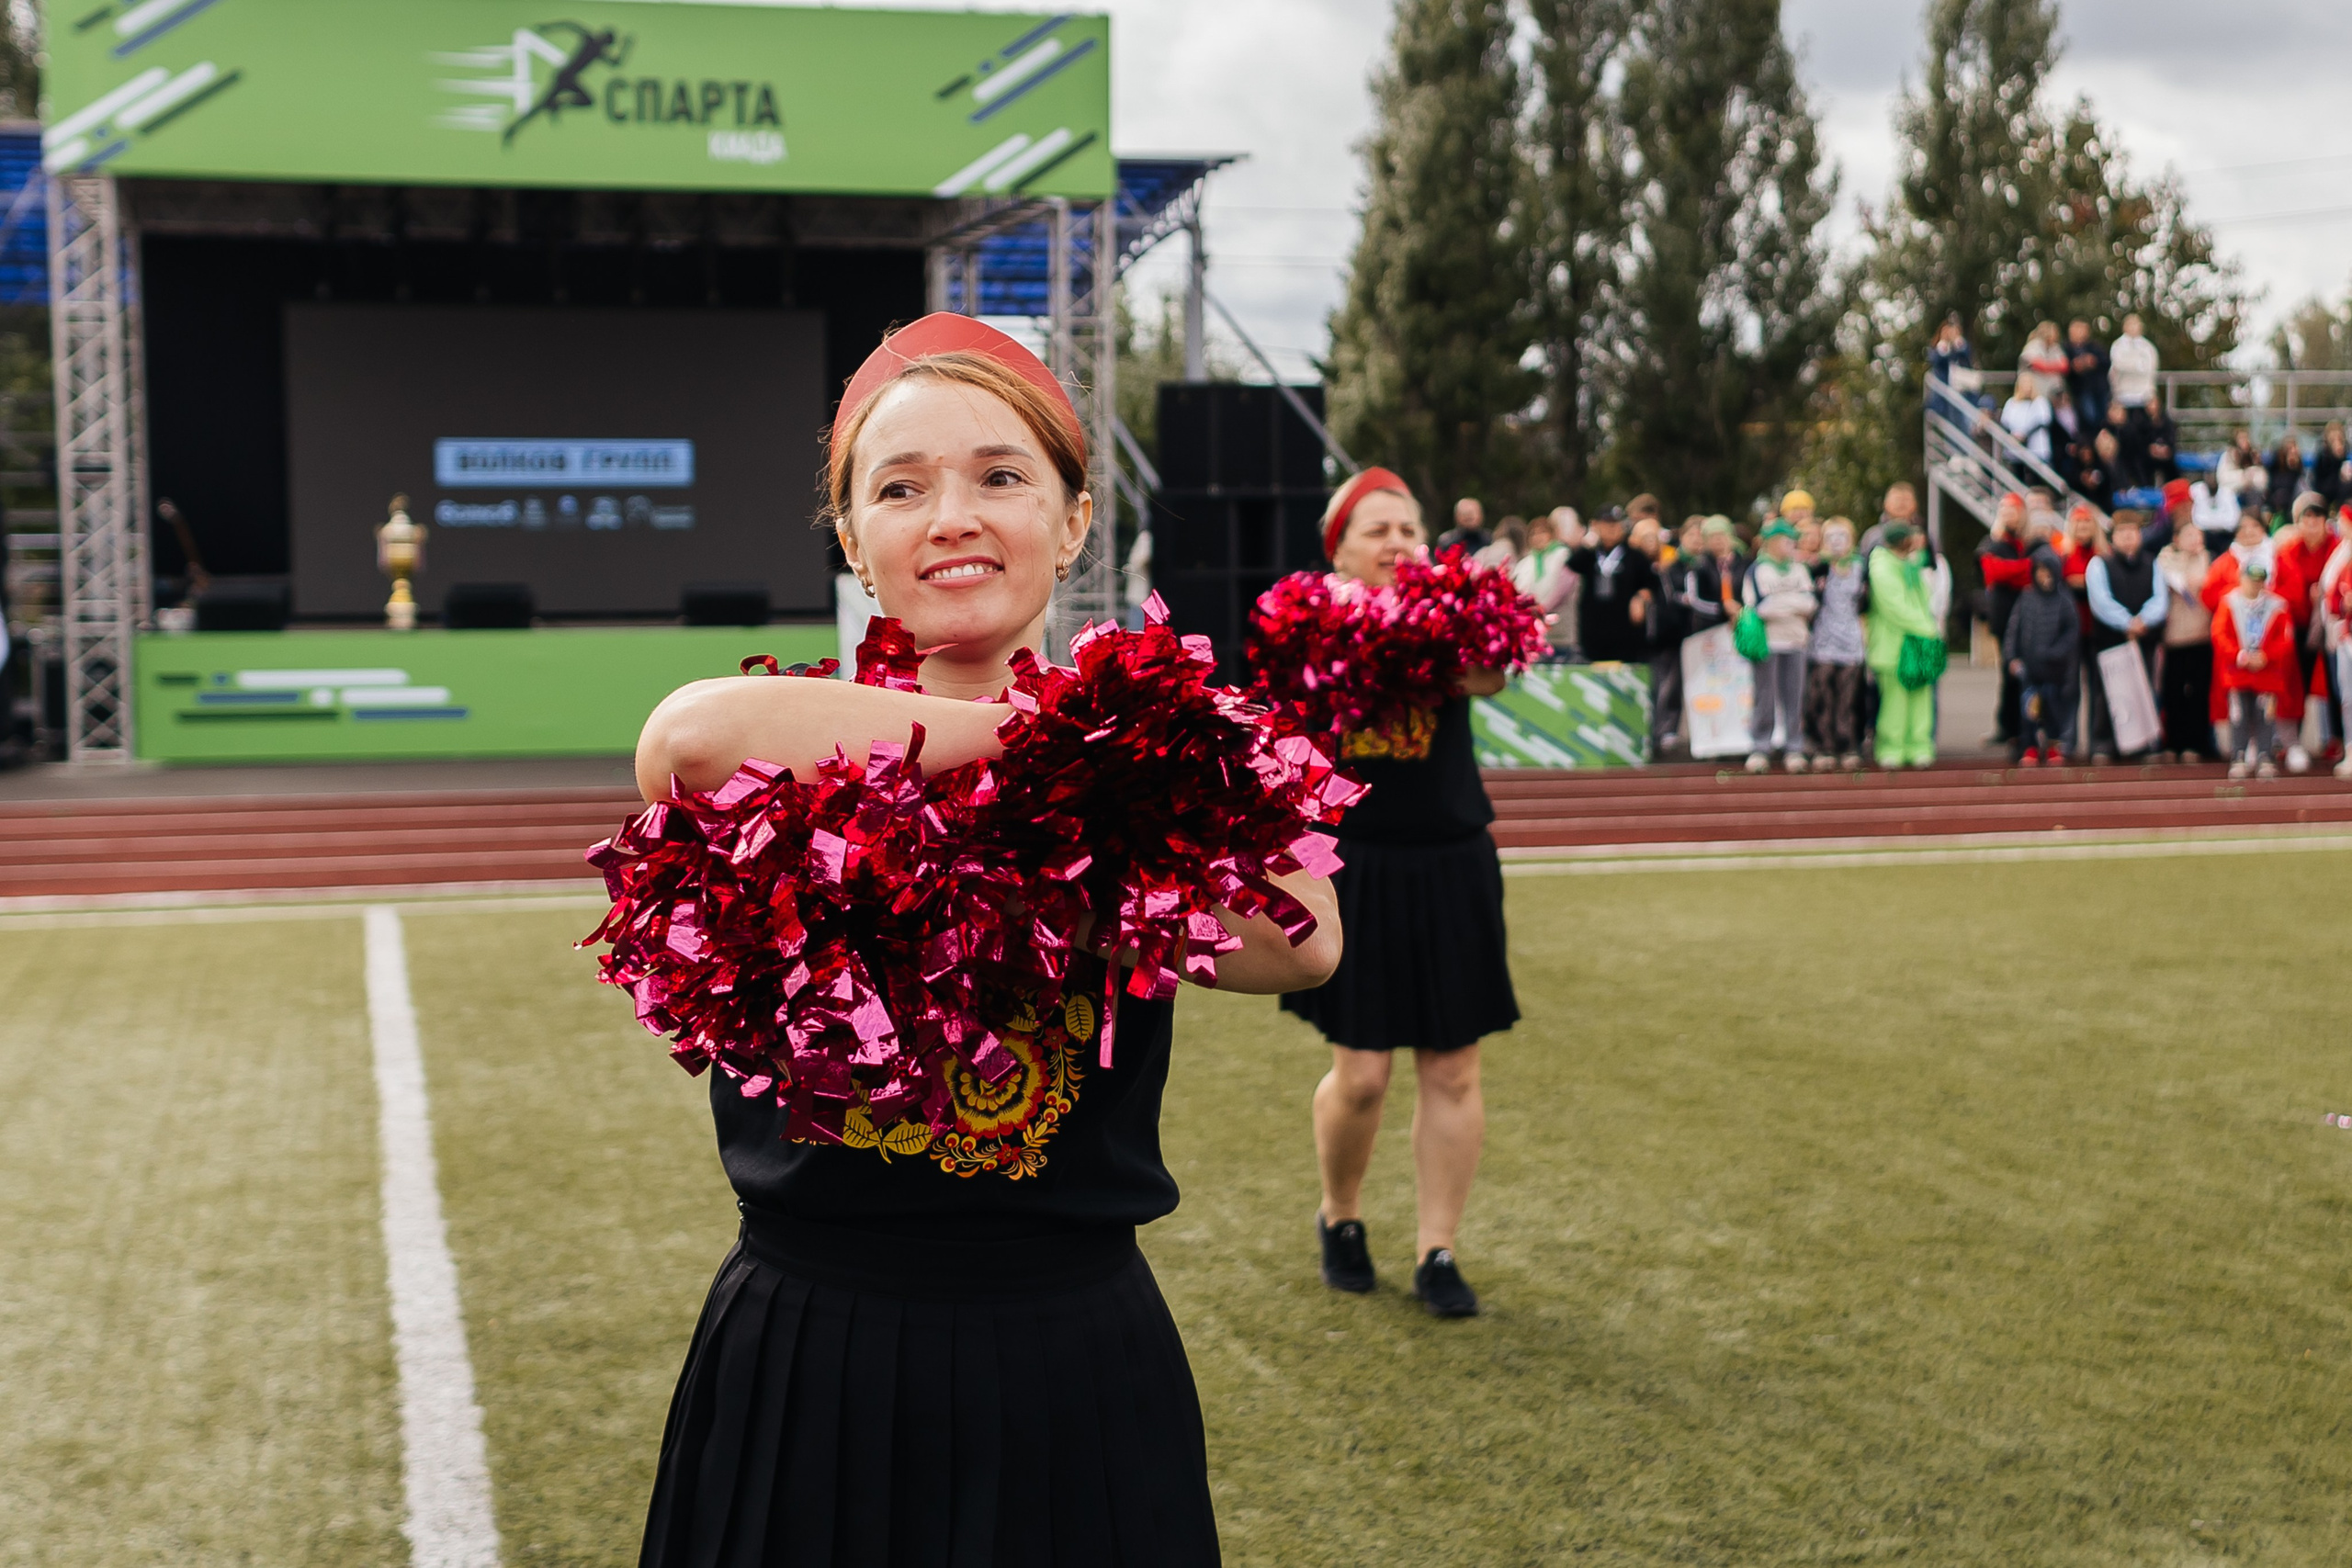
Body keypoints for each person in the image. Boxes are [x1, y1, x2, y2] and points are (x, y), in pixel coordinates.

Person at [629, 312, 1341, 1564]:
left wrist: (1118, 758)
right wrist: (1058, 742)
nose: (952, 514)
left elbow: (1308, 938)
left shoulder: (1162, 752)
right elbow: (685, 741)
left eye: (1001, 476)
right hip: (805, 1354)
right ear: (854, 539)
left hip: (1069, 1353)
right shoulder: (795, 741)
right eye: (900, 488)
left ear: (1073, 522)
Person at [1283, 469, 1518, 1321]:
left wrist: (1442, 630)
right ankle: (1340, 1215)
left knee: (1453, 1066)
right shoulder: (1306, 623)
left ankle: (1437, 1247)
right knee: (1364, 1075)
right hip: (1358, 864)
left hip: (1452, 855)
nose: (1398, 544)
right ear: (1337, 545)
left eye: (1410, 529)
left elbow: (1492, 675)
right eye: (1377, 530)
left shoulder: (1451, 620)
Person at [2084, 509, 2167, 761]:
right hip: (2109, 640)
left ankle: (2142, 744)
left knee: (2143, 690)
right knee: (2105, 694)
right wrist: (2126, 623)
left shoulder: (2152, 563)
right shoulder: (2099, 564)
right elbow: (2101, 601)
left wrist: (2143, 621)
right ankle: (2103, 743)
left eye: (2133, 532)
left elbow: (2160, 600)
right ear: (2113, 537)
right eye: (2123, 533)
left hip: (2145, 639)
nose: (2129, 537)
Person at [2268, 492, 2337, 766]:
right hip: (2298, 625)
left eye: (2316, 518)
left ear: (2324, 522)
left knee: (2336, 683)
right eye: (2305, 519)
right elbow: (2279, 590)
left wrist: (2324, 596)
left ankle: (2337, 740)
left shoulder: (2338, 546)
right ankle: (2289, 740)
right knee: (2294, 682)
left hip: (2331, 623)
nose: (2311, 524)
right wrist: (2303, 599)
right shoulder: (2287, 551)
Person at [1744, 518, 1817, 773]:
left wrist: (1783, 603)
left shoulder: (1800, 569)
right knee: (1765, 696)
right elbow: (1761, 607)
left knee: (1795, 697)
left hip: (1797, 641)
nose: (1791, 545)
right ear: (1772, 542)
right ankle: (1760, 746)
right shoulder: (1757, 570)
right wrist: (1791, 604)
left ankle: (1793, 747)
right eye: (1786, 540)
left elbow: (1810, 604)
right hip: (1769, 643)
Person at [1865, 521, 1940, 769]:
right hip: (1894, 646)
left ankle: (1919, 745)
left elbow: (1927, 593)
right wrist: (1927, 628)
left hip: (1918, 644)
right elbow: (1894, 606)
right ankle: (1891, 747)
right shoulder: (1882, 566)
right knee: (1894, 702)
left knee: (1921, 698)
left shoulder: (1911, 565)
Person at [2212, 555, 2292, 779]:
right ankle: (2238, 755)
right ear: (2241, 577)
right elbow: (2220, 634)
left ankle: (2265, 756)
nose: (2256, 584)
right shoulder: (2229, 602)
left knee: (2265, 717)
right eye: (2251, 578)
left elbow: (2285, 639)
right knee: (2239, 716)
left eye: (2260, 579)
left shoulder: (2277, 605)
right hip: (2237, 673)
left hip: (2268, 674)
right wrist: (2239, 655)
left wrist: (2266, 656)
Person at [2005, 547, 2081, 767]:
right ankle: (2029, 746)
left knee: (2054, 708)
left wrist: (2056, 653)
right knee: (2029, 708)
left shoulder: (2064, 600)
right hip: (2030, 668)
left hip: (2055, 669)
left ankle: (2053, 746)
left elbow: (2071, 632)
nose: (2044, 578)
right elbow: (2014, 630)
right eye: (2040, 572)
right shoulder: (2026, 598)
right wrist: (2011, 657)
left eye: (2048, 573)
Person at [1804, 517, 1869, 771]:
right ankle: (1823, 744)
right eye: (1831, 537)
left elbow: (1866, 605)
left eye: (1842, 537)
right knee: (1822, 694)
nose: (1837, 542)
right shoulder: (1817, 568)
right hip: (1823, 639)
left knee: (1848, 695)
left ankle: (1848, 743)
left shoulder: (1860, 568)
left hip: (1851, 639)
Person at [2155, 517, 2219, 761]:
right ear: (2176, 539)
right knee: (2173, 693)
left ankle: (2199, 743)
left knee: (2200, 693)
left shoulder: (2210, 559)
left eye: (2198, 535)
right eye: (2189, 535)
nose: (2195, 540)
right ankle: (2173, 742)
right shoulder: (2164, 561)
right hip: (2174, 638)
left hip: (2202, 635)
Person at [1977, 492, 2035, 755]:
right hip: (2004, 618)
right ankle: (2009, 727)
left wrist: (2016, 569)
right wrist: (2024, 568)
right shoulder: (1991, 542)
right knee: (2009, 673)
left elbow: (2039, 569)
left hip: (2031, 617)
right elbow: (1994, 572)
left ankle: (2026, 727)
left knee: (2027, 674)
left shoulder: (2031, 542)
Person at [1567, 504, 1659, 665]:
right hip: (1594, 634)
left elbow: (1652, 583)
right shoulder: (1590, 555)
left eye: (1616, 524)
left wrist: (1640, 598)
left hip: (1626, 635)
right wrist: (1589, 540)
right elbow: (1572, 564)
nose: (1612, 529)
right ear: (1597, 525)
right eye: (1607, 524)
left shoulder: (1635, 556)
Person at [1513, 513, 1577, 660]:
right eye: (1533, 534)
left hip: (1560, 629)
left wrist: (1542, 608)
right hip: (1533, 629)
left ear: (1551, 534)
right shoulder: (1525, 563)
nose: (1538, 537)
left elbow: (1563, 590)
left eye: (1542, 532)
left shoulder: (1564, 556)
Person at [2001, 372, 2057, 475]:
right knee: (2018, 477)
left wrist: (2026, 435)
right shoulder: (2012, 403)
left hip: (2036, 448)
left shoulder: (2040, 402)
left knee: (2036, 479)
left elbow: (2044, 421)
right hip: (2016, 448)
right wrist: (2015, 436)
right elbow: (2005, 422)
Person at [2065, 320, 2111, 434]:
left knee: (2103, 419)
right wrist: (2076, 366)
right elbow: (2065, 367)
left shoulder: (2095, 346)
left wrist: (2093, 361)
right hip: (2081, 391)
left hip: (2099, 389)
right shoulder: (2066, 348)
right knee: (2089, 418)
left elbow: (2106, 362)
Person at [2109, 312, 2158, 410]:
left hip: (2144, 396)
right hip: (2122, 395)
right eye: (2130, 324)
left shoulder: (2148, 347)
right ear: (2124, 326)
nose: (2133, 327)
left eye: (2136, 324)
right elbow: (2119, 365)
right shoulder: (2117, 346)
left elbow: (2150, 368)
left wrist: (2130, 365)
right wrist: (2137, 365)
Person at [2312, 423, 2352, 516]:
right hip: (2326, 491)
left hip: (2342, 492)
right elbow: (2319, 482)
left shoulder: (2346, 455)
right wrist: (2336, 458)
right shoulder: (2322, 457)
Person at [2216, 429, 2267, 503]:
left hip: (2251, 497)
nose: (2244, 442)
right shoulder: (2227, 457)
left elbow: (2262, 481)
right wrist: (2243, 476)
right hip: (2232, 496)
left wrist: (2250, 477)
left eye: (2246, 438)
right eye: (2241, 438)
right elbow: (2222, 479)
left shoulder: (2254, 456)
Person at [2265, 435, 2308, 522]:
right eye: (2289, 450)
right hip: (2276, 506)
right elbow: (2271, 487)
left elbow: (2300, 484)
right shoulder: (2274, 468)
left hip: (2292, 504)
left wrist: (2294, 465)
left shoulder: (2299, 470)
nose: (2292, 453)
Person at [2141, 395, 2181, 486]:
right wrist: (2150, 449)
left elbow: (2172, 439)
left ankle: (2174, 487)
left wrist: (2165, 449)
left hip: (2166, 456)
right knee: (2143, 464)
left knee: (2171, 465)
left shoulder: (2167, 422)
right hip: (2148, 457)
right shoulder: (2142, 423)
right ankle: (2146, 487)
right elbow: (2141, 442)